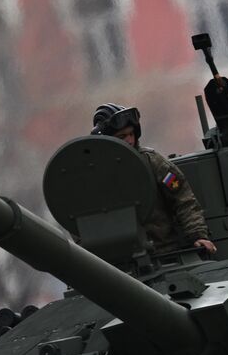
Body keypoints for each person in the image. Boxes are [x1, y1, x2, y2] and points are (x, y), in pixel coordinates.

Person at [91, 103, 216, 255]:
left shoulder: (152, 162)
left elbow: (183, 199)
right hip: (118, 262)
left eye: (131, 134)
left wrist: (197, 234)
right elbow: (79, 218)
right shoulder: (93, 174)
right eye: (122, 136)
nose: (129, 140)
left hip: (165, 252)